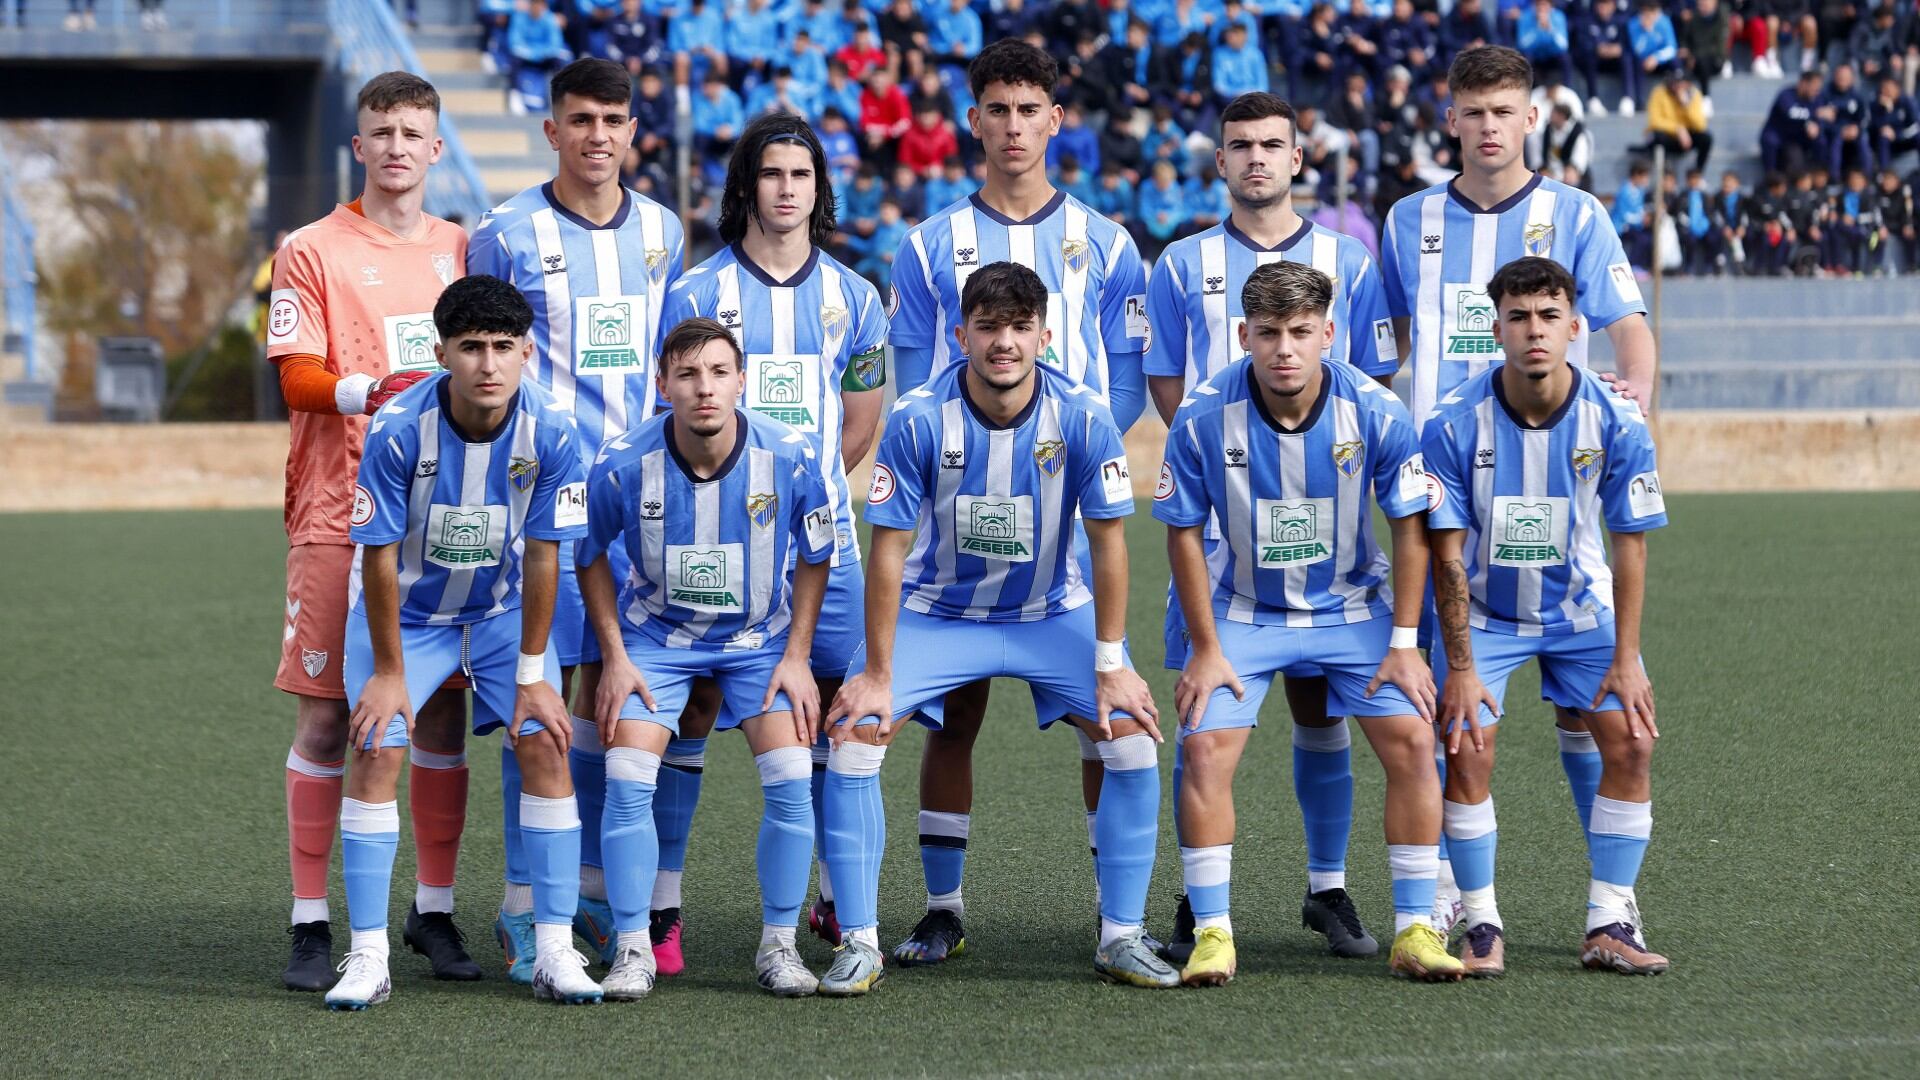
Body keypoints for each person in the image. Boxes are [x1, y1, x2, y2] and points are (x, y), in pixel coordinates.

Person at [819, 261, 1173, 996]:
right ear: (960, 335)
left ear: (1044, 335)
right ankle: (865, 940)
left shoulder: (1083, 414)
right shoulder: (918, 416)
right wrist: (878, 673)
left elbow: (1110, 540)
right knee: (857, 732)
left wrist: (1112, 661)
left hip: (1050, 610)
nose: (1003, 343)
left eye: (1018, 328)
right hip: (937, 612)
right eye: (987, 328)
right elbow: (887, 549)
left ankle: (1121, 935)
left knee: (1131, 735)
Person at [884, 39, 1152, 970]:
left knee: (1103, 718)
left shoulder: (1110, 243)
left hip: (1063, 517)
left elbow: (1124, 383)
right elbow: (912, 380)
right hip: (952, 514)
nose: (1012, 127)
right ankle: (942, 908)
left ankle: (1114, 918)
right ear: (974, 120)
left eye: (1028, 109)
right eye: (995, 109)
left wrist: (1065, 462)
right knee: (952, 717)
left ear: (1056, 119)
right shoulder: (927, 245)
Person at [1378, 45, 1656, 941]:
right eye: (1474, 111)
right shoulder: (1407, 218)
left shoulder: (1576, 213)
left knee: (1592, 708)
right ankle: (1461, 894)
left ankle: (1611, 900)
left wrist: (1631, 410)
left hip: (1555, 479)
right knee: (1449, 712)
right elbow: (1381, 350)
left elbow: (1626, 328)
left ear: (1531, 117)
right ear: (1449, 118)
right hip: (1440, 489)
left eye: (1506, 111)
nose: (1490, 127)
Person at [1141, 92, 1398, 963]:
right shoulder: (1179, 264)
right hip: (1221, 537)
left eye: (1272, 145)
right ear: (1219, 161)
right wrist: (1227, 471)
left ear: (1298, 159)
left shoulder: (1351, 262)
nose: (1256, 158)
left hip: (1329, 539)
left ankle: (1327, 890)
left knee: (1322, 709)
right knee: (1207, 725)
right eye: (1239, 145)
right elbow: (1170, 387)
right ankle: (1198, 900)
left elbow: (1372, 382)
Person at [1154, 261, 1461, 986]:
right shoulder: (1201, 417)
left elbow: (1411, 526)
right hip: (1241, 611)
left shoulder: (1378, 412)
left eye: (1300, 332)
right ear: (1244, 336)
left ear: (1329, 332)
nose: (1284, 349)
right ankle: (1214, 933)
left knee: (1415, 739)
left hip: (1352, 607)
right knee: (1202, 750)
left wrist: (1406, 646)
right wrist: (1203, 649)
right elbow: (1182, 533)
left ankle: (1416, 928)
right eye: (1268, 333)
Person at [645, 113, 889, 968]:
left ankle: (828, 901)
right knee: (695, 711)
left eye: (802, 175)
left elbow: (858, 426)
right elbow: (671, 411)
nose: (787, 188)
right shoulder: (695, 293)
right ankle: (662, 911)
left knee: (834, 713)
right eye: (772, 173)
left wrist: (796, 494)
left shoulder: (856, 298)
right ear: (746, 185)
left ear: (820, 190)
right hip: (714, 545)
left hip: (827, 551)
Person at [466, 56, 687, 982]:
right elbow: (483, 356)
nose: (598, 135)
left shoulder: (665, 232)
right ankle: (526, 907)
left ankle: (591, 895)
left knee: (609, 706)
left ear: (633, 132)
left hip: (639, 512)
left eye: (614, 119)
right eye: (580, 119)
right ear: (551, 130)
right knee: (542, 708)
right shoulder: (506, 233)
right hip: (539, 511)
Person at [321, 273, 596, 1010]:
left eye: (504, 347)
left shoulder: (556, 430)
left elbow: (546, 553)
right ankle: (368, 956)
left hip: (501, 613)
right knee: (377, 745)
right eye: (471, 347)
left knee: (545, 738)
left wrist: (535, 673)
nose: (487, 364)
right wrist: (386, 671)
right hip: (408, 618)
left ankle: (555, 950)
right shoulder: (397, 428)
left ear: (527, 353)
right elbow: (378, 553)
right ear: (441, 351)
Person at [269, 72, 474, 993]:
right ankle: (312, 924)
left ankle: (434, 910)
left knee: (438, 708)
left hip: (442, 519)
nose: (396, 145)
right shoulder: (310, 249)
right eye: (380, 131)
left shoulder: (461, 250)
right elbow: (296, 377)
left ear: (436, 148)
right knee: (326, 718)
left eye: (413, 132)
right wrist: (379, 389)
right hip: (335, 509)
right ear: (358, 147)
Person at [1422, 255, 1669, 977]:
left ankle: (1610, 918)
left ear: (1576, 326)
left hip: (1579, 610)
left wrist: (1626, 657)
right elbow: (1446, 556)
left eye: (1550, 316)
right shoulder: (1452, 422)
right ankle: (1480, 919)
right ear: (1495, 328)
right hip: (1488, 615)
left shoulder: (1616, 419)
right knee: (1468, 747)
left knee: (1632, 741)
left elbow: (1632, 548)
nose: (1536, 331)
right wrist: (1461, 669)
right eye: (1520, 317)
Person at [576, 317, 837, 999]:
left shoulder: (791, 455)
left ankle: (778, 947)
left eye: (719, 373)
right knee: (629, 774)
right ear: (662, 385)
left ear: (742, 381)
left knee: (789, 776)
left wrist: (799, 656)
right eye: (688, 375)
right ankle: (632, 946)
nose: (705, 389)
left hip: (758, 643)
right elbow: (587, 555)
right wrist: (615, 656)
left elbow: (817, 556)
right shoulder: (621, 462)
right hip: (656, 641)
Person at [1643, 65, 1714, 172]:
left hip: (1687, 138)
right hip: (1669, 135)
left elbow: (1700, 125)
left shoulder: (1695, 94)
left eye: (1681, 83)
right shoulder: (1659, 92)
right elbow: (1654, 121)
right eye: (1675, 82)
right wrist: (1678, 129)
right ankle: (1664, 173)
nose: (1677, 86)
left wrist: (1686, 105)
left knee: (1706, 138)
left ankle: (1697, 174)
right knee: (1657, 137)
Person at [1572, 0, 1636, 116]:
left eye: (1607, 4)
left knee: (1627, 58)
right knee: (1589, 58)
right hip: (1595, 61)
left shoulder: (1620, 22)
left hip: (1614, 61)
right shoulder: (1588, 21)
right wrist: (1597, 48)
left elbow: (1629, 45)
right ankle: (1593, 99)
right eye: (1600, 4)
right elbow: (1582, 44)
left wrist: (1618, 48)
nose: (1603, 8)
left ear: (1613, 6)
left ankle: (1628, 99)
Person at [1762, 69, 1831, 176]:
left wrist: (1817, 126)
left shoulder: (1817, 98)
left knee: (1821, 140)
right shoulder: (1786, 95)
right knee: (1770, 140)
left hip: (1799, 138)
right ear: (1803, 83)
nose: (1817, 91)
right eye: (1814, 87)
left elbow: (1825, 116)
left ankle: (1820, 176)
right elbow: (1791, 113)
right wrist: (1815, 114)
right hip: (1781, 135)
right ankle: (1770, 177)